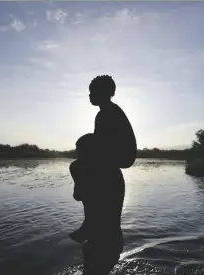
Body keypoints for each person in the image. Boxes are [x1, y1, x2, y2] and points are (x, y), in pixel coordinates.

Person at [81, 75, 137, 275]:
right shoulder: (110, 112)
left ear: (102, 93)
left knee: (103, 235)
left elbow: (100, 147)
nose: (89, 96)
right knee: (109, 229)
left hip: (108, 174)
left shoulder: (107, 115)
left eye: (92, 92)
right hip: (110, 172)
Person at [69, 133, 97, 243]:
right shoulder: (76, 166)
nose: (78, 154)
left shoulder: (77, 166)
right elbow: (78, 195)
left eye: (80, 151)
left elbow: (78, 195)